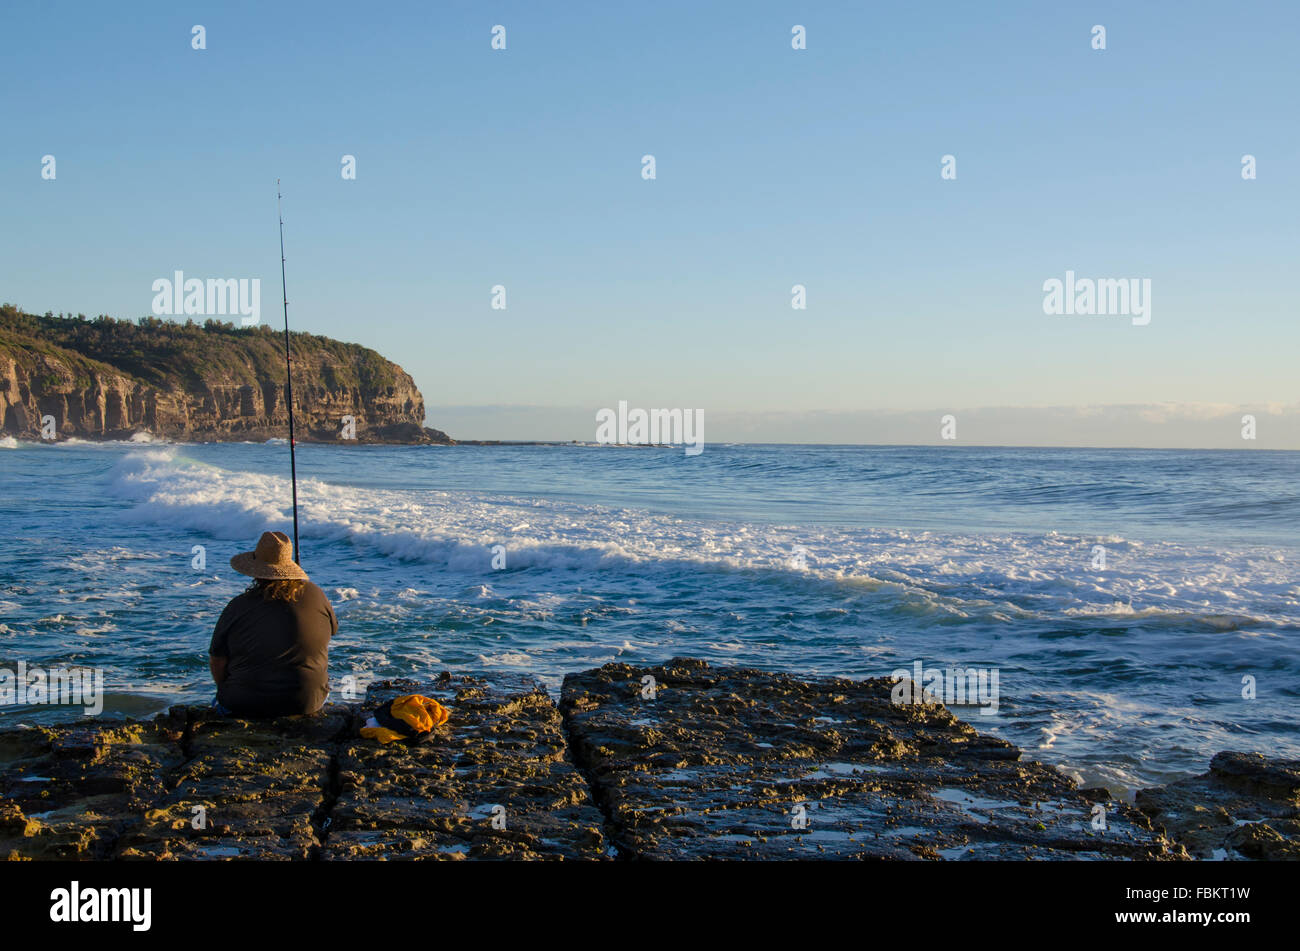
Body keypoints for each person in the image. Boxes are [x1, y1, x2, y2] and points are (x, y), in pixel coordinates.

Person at [208, 531, 338, 717]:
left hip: (245, 704)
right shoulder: (316, 594)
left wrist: (224, 689)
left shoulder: (238, 606)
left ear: (256, 571)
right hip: (308, 701)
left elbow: (217, 660)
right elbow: (332, 631)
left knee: (217, 703)